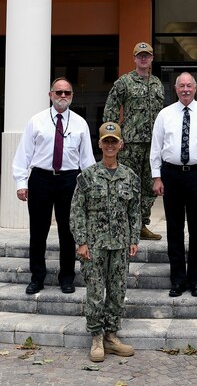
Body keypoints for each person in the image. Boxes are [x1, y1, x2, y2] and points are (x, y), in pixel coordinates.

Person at [13, 77, 96, 295]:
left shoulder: (80, 123)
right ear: (50, 95)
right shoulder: (36, 121)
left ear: (71, 96)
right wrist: (21, 182)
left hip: (69, 180)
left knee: (68, 232)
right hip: (41, 179)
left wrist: (89, 188)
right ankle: (37, 277)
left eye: (67, 93)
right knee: (38, 231)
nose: (62, 96)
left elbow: (86, 159)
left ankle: (67, 277)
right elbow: (24, 154)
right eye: (58, 92)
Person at [70, 122, 140, 362]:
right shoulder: (88, 176)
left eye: (114, 141)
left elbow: (134, 211)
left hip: (120, 244)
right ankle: (97, 337)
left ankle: (111, 335)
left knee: (118, 291)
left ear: (121, 144)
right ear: (99, 144)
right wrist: (81, 241)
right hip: (95, 245)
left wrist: (133, 238)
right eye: (106, 141)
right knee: (95, 292)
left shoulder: (129, 176)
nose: (110, 145)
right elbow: (77, 211)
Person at [150, 72, 197, 298]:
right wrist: (156, 177)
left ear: (196, 88)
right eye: (181, 86)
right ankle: (178, 280)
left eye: (189, 85)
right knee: (174, 229)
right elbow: (156, 147)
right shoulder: (164, 114)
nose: (185, 89)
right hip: (171, 175)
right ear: (175, 88)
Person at [103, 42, 165, 240]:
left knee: (149, 186)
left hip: (153, 144)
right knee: (128, 184)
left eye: (147, 55)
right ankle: (125, 225)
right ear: (134, 58)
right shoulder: (124, 82)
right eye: (140, 55)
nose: (144, 58)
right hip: (130, 144)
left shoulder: (157, 83)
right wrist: (113, 138)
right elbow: (111, 109)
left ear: (152, 58)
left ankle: (140, 225)